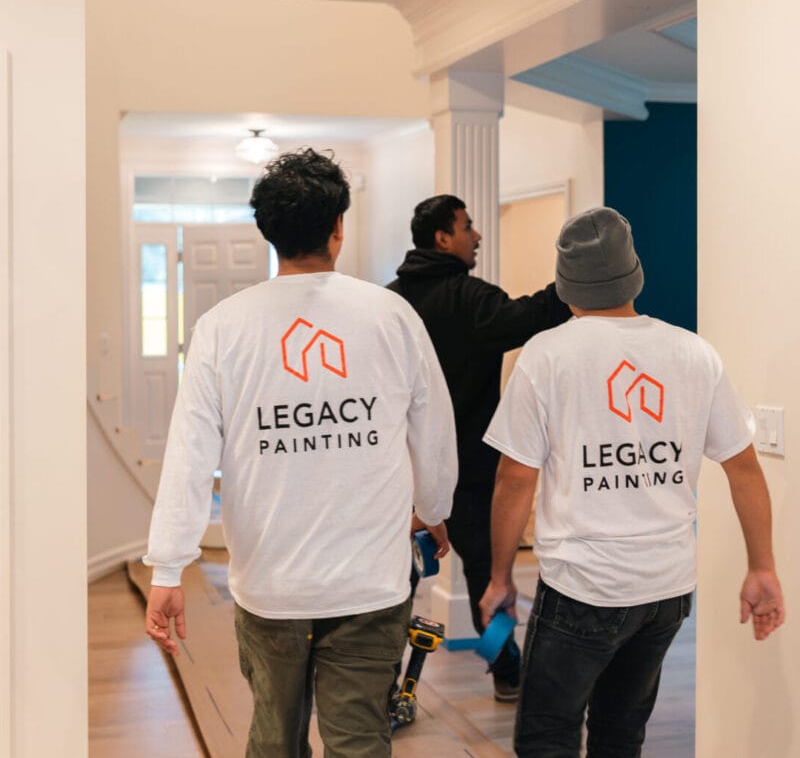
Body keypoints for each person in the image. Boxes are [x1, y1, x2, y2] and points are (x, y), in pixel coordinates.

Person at [143, 148, 458, 758]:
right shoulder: (390, 317)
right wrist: (434, 506)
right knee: (360, 741)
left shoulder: (222, 328)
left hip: (270, 585)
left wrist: (168, 567)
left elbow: (188, 456)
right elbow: (435, 434)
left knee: (274, 740)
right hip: (370, 583)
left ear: (269, 232)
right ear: (338, 227)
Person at [480, 206, 785, 757]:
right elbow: (744, 468)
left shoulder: (546, 356)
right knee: (621, 733)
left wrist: (500, 577)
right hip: (665, 590)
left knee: (547, 737)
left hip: (582, 585)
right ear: (635, 275)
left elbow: (514, 478)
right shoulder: (693, 353)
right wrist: (762, 566)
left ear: (566, 286)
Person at [387, 194, 571, 702]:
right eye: (468, 227)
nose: (477, 235)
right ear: (443, 238)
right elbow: (531, 315)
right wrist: (577, 281)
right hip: (469, 473)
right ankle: (506, 669)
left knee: (392, 583)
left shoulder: (390, 302)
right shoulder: (471, 299)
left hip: (395, 474)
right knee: (489, 580)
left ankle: (381, 682)